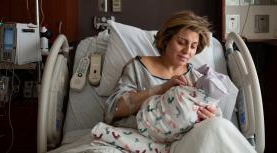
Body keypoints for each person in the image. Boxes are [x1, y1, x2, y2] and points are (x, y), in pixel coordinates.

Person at [104, 10, 256, 153]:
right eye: (182, 42)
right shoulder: (138, 68)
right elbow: (114, 109)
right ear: (167, 39)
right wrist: (161, 88)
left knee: (218, 125)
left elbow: (214, 120)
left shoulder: (197, 78)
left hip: (181, 143)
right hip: (140, 138)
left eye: (193, 46)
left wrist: (212, 116)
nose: (187, 51)